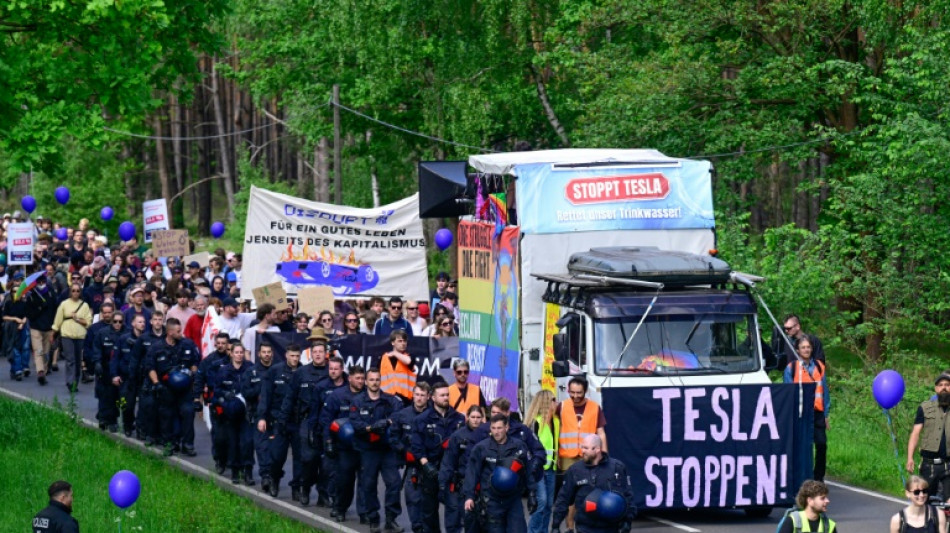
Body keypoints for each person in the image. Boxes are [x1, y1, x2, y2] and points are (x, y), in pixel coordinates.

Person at [350, 367, 405, 533]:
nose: (374, 383)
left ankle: (391, 519)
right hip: (368, 450)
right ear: (366, 382)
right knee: (368, 485)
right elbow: (355, 423)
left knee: (394, 483)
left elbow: (399, 416)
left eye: (377, 379)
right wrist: (370, 428)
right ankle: (373, 518)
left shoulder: (390, 400)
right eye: (371, 380)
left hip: (387, 450)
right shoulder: (358, 401)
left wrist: (387, 423)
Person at [281, 340, 331, 507]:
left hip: (326, 422)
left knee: (326, 461)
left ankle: (323, 494)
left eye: (320, 351)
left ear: (326, 354)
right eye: (315, 351)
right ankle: (305, 488)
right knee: (308, 459)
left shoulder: (333, 371)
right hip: (306, 421)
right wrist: (283, 419)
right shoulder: (301, 373)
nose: (318, 354)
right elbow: (290, 398)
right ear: (311, 354)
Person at [411, 380, 465, 533]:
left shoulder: (459, 419)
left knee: (454, 511)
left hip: (452, 472)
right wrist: (425, 464)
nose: (446, 398)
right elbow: (416, 446)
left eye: (447, 394)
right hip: (431, 470)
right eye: (442, 395)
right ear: (432, 398)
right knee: (429, 513)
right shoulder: (421, 420)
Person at [463, 414, 531, 533]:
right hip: (492, 500)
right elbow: (472, 473)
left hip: (513, 499)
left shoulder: (518, 446)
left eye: (499, 428)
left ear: (507, 427)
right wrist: (469, 496)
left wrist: (533, 493)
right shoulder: (481, 448)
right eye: (493, 428)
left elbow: (528, 471)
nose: (496, 432)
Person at [556, 377, 608, 531]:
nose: (575, 396)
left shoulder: (594, 407)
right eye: (572, 392)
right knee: (570, 492)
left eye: (579, 392)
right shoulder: (562, 406)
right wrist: (556, 455)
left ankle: (585, 526)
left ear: (585, 391)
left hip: (590, 454)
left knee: (588, 490)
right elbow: (556, 430)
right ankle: (570, 526)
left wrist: (604, 454)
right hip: (568, 455)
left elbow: (601, 432)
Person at [144, 318, 200, 457]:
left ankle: (187, 444)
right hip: (166, 388)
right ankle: (169, 444)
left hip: (185, 388)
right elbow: (150, 367)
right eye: (178, 331)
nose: (181, 333)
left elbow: (195, 361)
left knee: (188, 413)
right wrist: (156, 383)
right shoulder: (156, 347)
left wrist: (192, 374)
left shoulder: (187, 344)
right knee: (167, 416)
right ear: (169, 332)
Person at [322, 365, 367, 523]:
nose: (360, 381)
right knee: (345, 481)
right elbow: (327, 420)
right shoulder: (337, 396)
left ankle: (364, 513)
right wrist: (328, 441)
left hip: (363, 446)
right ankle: (340, 508)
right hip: (344, 448)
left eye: (362, 378)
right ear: (350, 378)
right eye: (357, 378)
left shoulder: (369, 396)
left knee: (365, 482)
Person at [784, 336, 830, 482]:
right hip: (801, 413)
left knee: (822, 444)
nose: (806, 350)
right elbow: (788, 394)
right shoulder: (791, 368)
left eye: (808, 347)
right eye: (803, 347)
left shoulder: (819, 367)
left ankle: (819, 477)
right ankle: (803, 477)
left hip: (817, 412)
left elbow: (825, 392)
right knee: (805, 446)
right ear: (798, 350)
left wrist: (826, 413)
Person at [389, 382, 431, 533]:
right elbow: (393, 437)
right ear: (413, 395)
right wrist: (402, 450)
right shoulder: (402, 415)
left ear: (428, 397)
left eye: (422, 395)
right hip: (410, 464)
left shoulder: (433, 415)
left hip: (429, 463)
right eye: (417, 395)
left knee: (430, 499)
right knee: (413, 497)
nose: (419, 398)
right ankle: (417, 527)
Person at [262, 343, 301, 498]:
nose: (295, 359)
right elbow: (266, 396)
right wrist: (262, 417)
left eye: (297, 356)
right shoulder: (275, 371)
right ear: (286, 355)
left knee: (299, 457)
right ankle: (274, 479)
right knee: (277, 456)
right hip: (279, 420)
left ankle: (296, 488)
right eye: (292, 355)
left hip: (297, 420)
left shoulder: (303, 371)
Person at [440, 405, 485, 533]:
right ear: (467, 417)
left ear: (482, 418)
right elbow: (448, 461)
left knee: (477, 523)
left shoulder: (488, 436)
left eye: (478, 417)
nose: (476, 420)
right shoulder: (457, 436)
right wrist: (442, 485)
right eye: (473, 417)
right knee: (454, 522)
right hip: (459, 484)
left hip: (480, 486)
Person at [214, 343, 255, 484]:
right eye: (236, 352)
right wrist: (225, 396)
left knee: (247, 442)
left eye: (241, 352)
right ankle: (235, 472)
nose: (239, 355)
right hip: (230, 413)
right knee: (232, 442)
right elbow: (217, 390)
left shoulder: (250, 368)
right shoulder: (223, 371)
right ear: (231, 353)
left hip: (246, 413)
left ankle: (248, 472)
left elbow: (257, 386)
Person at [907, 372, 950, 500]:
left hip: (948, 464)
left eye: (947, 385)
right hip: (929, 464)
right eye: (940, 385)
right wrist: (910, 457)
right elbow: (915, 433)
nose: (944, 387)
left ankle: (945, 519)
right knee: (924, 500)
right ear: (936, 389)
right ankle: (927, 519)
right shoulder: (925, 408)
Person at [194, 332, 232, 472]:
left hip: (231, 402)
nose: (221, 346)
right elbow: (199, 379)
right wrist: (197, 398)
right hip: (215, 402)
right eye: (219, 343)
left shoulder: (233, 359)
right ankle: (219, 461)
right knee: (217, 434)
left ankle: (229, 460)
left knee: (231, 434)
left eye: (224, 343)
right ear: (215, 343)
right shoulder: (208, 361)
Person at [244, 341, 275, 492]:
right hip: (257, 414)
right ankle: (266, 476)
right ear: (259, 354)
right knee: (261, 446)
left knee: (275, 448)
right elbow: (245, 392)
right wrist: (260, 391)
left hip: (275, 415)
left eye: (269, 352)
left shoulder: (277, 370)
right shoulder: (251, 372)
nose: (267, 354)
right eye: (264, 352)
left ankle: (274, 475)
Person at [526, 390, 558, 533]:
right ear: (546, 403)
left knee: (549, 504)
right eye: (553, 400)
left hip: (551, 469)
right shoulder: (535, 423)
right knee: (541, 502)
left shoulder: (555, 421)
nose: (556, 403)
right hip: (537, 469)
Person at [131, 309, 165, 445]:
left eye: (160, 319)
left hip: (162, 377)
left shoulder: (166, 338)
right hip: (145, 377)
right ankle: (142, 430)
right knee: (146, 406)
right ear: (151, 321)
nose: (157, 322)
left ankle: (156, 434)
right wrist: (133, 376)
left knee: (160, 408)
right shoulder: (144, 338)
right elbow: (135, 358)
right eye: (155, 319)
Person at [51, 282, 93, 393]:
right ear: (70, 292)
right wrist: (53, 333)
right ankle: (70, 381)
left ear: (80, 292)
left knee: (78, 360)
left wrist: (77, 319)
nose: (75, 293)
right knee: (70, 359)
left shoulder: (84, 305)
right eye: (73, 290)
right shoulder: (64, 304)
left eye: (77, 291)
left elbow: (88, 322)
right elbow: (58, 320)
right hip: (67, 335)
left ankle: (75, 382)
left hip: (80, 336)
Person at [90, 311, 126, 432]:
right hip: (104, 369)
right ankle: (103, 418)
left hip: (119, 370)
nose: (117, 324)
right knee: (103, 395)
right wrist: (97, 362)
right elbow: (96, 349)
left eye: (120, 322)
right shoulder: (102, 333)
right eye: (115, 321)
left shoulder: (126, 334)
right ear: (111, 321)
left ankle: (113, 420)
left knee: (116, 396)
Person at [112, 313, 146, 437]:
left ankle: (141, 428)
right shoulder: (123, 339)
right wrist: (114, 375)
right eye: (139, 322)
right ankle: (127, 425)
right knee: (127, 405)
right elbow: (115, 358)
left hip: (142, 378)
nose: (142, 324)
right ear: (133, 324)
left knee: (144, 406)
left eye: (143, 322)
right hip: (127, 377)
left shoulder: (147, 340)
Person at [381, 329, 416, 405]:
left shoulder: (409, 356)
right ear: (393, 342)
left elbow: (408, 361)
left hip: (405, 400)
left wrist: (395, 353)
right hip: (386, 399)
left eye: (404, 341)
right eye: (400, 341)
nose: (403, 343)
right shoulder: (383, 357)